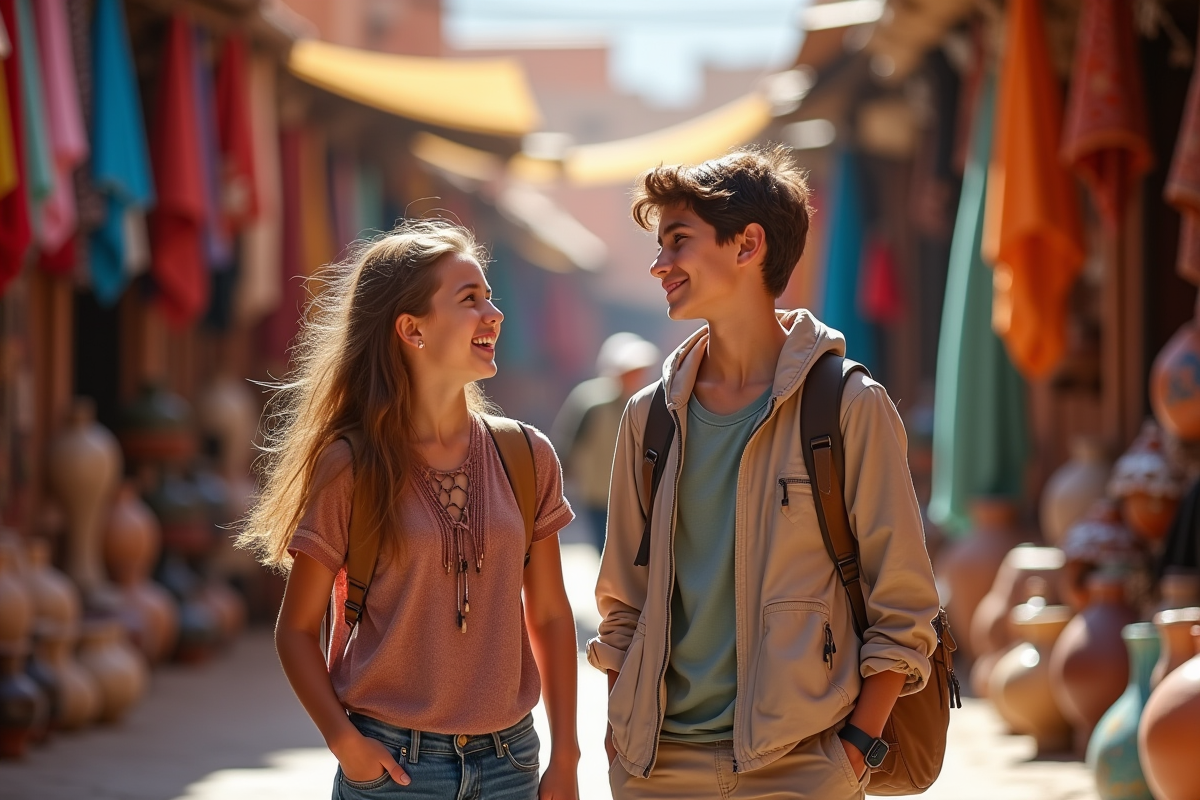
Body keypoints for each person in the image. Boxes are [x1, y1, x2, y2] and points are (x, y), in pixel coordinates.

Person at [588, 146, 941, 800]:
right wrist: (623, 733)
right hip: (658, 770)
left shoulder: (848, 406)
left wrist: (855, 752)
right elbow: (622, 604)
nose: (659, 263)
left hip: (802, 767)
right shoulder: (649, 418)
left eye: (679, 241)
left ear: (748, 245)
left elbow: (905, 601)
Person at [238, 220, 580, 800]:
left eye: (489, 297)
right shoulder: (351, 465)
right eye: (470, 299)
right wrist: (344, 742)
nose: (494, 314)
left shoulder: (527, 454)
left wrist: (566, 754)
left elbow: (547, 613)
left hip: (510, 764)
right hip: (394, 766)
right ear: (412, 329)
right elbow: (295, 630)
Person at [551, 332, 660, 552]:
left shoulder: (646, 403)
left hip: (634, 494)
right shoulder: (591, 401)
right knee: (606, 550)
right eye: (632, 371)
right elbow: (566, 444)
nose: (637, 377)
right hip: (598, 493)